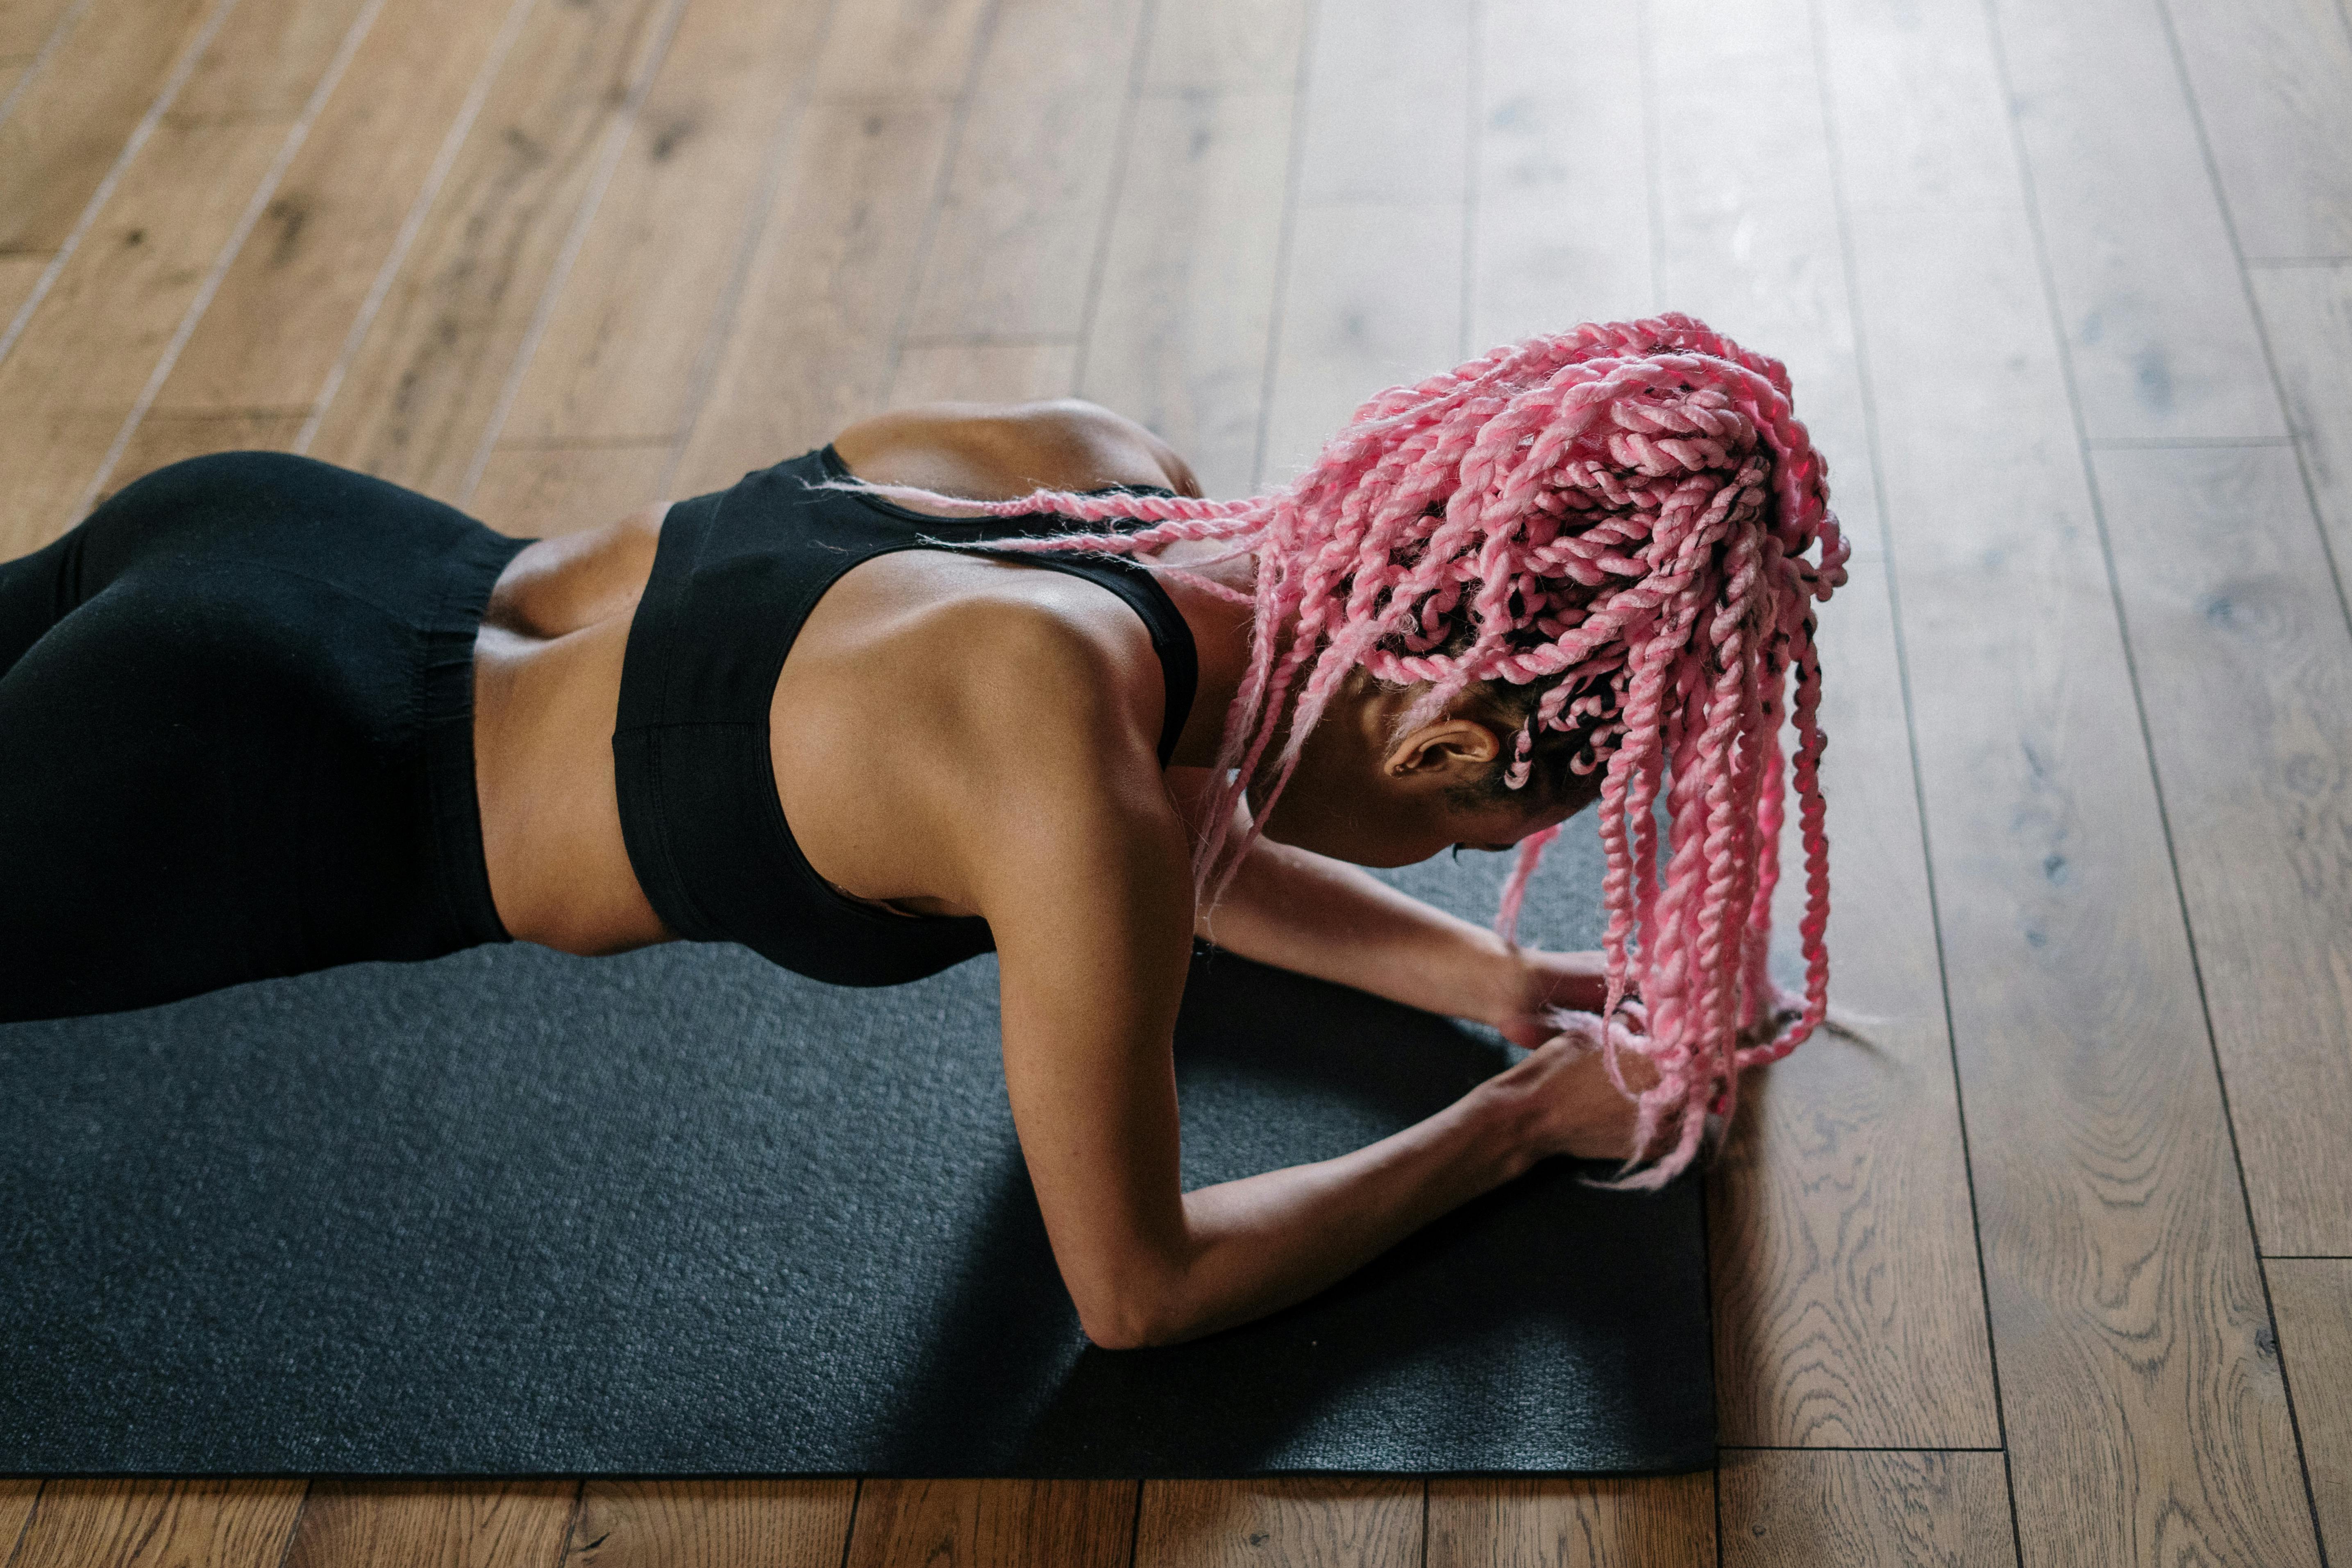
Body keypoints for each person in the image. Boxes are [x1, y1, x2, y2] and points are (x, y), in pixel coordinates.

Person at [0, 313, 1845, 1348]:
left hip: (286, 543)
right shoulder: (1066, 783)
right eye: (1472, 843)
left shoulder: (1105, 484)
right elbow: (1140, 1287)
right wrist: (1512, 1128)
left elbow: (1170, 837)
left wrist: (1498, 974)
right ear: (1445, 749)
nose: (1441, 858)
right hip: (226, 777)